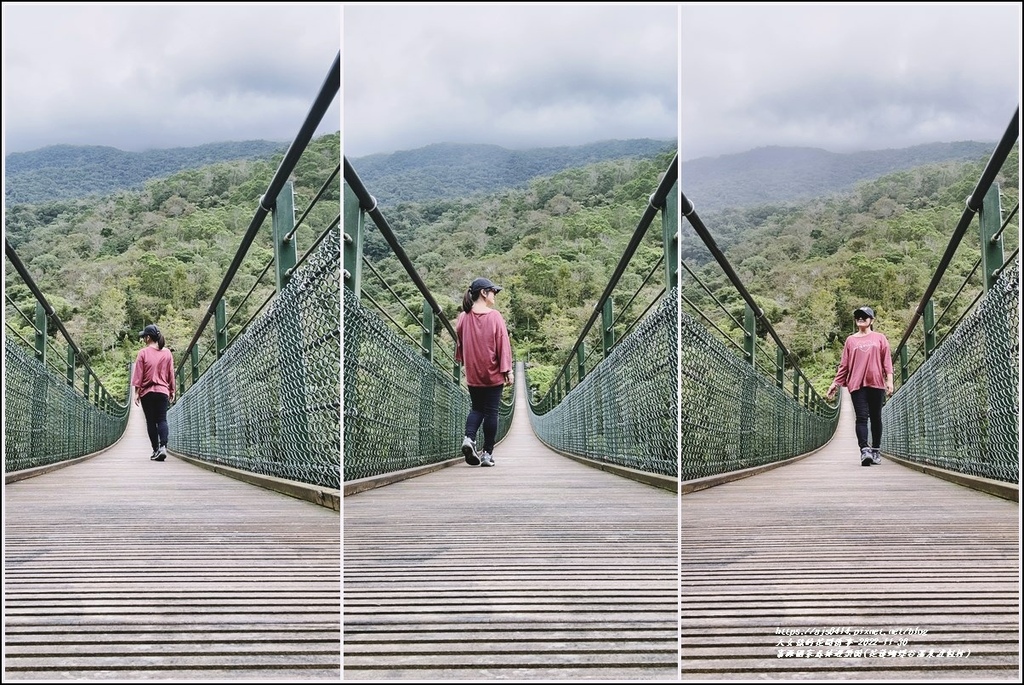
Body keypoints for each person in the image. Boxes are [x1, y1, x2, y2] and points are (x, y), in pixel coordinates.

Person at [455, 277, 513, 468]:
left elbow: (460, 343)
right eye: (493, 291)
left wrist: (465, 362)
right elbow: (502, 344)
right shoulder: (495, 316)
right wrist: (508, 371)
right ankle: (487, 454)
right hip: (493, 372)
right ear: (483, 293)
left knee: (477, 408)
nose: (495, 294)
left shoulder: (463, 317)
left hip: (473, 373)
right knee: (492, 412)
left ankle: (469, 439)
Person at [826, 306, 894, 467]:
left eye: (864, 316)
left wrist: (889, 381)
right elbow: (844, 365)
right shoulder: (850, 340)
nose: (861, 319)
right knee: (862, 418)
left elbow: (887, 361)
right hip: (857, 385)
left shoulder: (880, 338)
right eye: (858, 316)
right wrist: (835, 383)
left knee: (876, 418)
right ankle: (865, 450)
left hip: (877, 383)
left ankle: (875, 450)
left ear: (872, 320)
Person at [131, 324, 176, 462]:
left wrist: (136, 392)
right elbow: (170, 373)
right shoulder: (167, 353)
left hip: (147, 393)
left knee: (151, 421)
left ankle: (155, 450)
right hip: (163, 391)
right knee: (162, 419)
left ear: (148, 337)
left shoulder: (143, 353)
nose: (143, 339)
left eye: (144, 336)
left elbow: (139, 373)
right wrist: (172, 390)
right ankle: (163, 447)